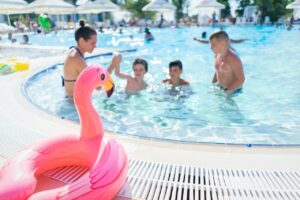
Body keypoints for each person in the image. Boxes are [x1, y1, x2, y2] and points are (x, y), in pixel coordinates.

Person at [63, 20, 114, 98]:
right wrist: (113, 64)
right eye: (92, 43)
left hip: (73, 101)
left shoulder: (74, 52)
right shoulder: (76, 59)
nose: (95, 46)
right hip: (73, 105)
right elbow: (98, 86)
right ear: (82, 41)